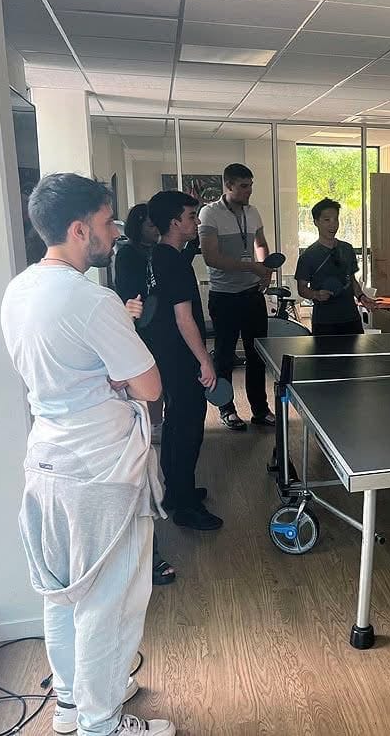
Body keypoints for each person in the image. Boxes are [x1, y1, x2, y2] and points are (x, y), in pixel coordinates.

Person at [0, 173, 176, 736]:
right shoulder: (92, 300)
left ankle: (74, 704)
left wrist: (109, 370)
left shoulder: (20, 288)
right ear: (79, 230)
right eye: (106, 222)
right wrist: (119, 371)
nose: (114, 231)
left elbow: (68, 363)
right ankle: (101, 723)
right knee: (112, 600)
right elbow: (149, 386)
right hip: (101, 469)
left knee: (63, 593)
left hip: (47, 459)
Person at [145, 190, 222, 532]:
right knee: (188, 429)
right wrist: (205, 361)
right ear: (175, 222)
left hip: (168, 356)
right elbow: (183, 318)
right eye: (191, 217)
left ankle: (176, 492)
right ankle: (186, 508)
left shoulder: (160, 256)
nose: (196, 222)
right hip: (180, 358)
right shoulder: (172, 261)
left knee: (176, 426)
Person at [113, 204, 177, 584]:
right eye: (152, 225)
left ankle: (154, 439)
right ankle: (152, 433)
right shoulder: (129, 255)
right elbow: (130, 299)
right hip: (141, 335)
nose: (155, 230)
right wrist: (132, 313)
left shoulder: (159, 254)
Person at [198, 163, 275, 431]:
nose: (249, 191)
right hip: (225, 296)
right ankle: (226, 408)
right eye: (244, 186)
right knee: (224, 355)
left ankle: (260, 409)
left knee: (258, 355)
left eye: (251, 185)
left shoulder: (252, 212)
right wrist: (251, 266)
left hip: (252, 294)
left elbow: (261, 244)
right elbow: (211, 257)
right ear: (228, 186)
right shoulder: (209, 213)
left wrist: (265, 269)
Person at [295, 198, 377, 335]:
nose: (333, 225)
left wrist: (362, 297)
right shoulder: (308, 256)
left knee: (355, 357)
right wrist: (316, 294)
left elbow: (352, 280)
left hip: (351, 319)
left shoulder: (347, 249)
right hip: (324, 321)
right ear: (316, 222)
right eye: (327, 220)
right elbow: (302, 289)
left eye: (335, 219)